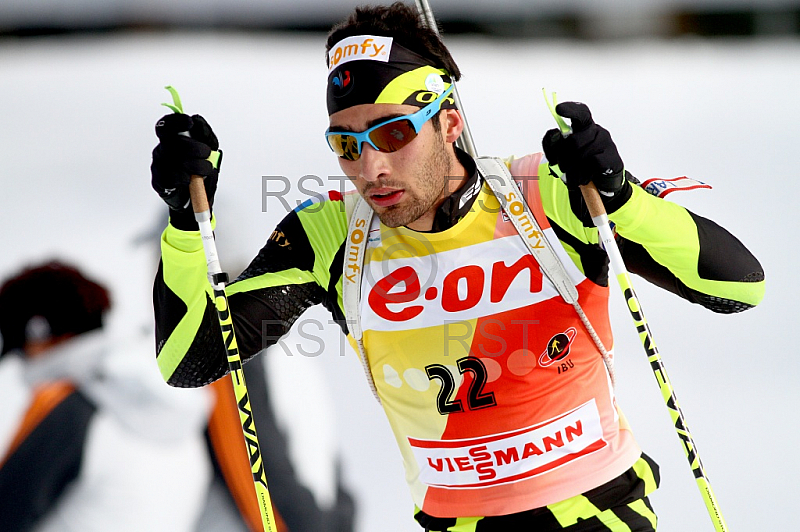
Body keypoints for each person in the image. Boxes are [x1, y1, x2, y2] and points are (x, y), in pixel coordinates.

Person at [149, 3, 765, 531]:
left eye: (391, 135)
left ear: (448, 121)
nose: (370, 168)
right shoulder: (331, 235)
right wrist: (183, 222)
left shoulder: (544, 196)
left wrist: (623, 199)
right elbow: (189, 360)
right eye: (346, 143)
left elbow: (739, 285)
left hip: (598, 513)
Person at [0, 261, 212, 532]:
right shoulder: (179, 402)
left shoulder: (70, 409)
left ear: (41, 334)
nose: (23, 367)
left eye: (21, 349)